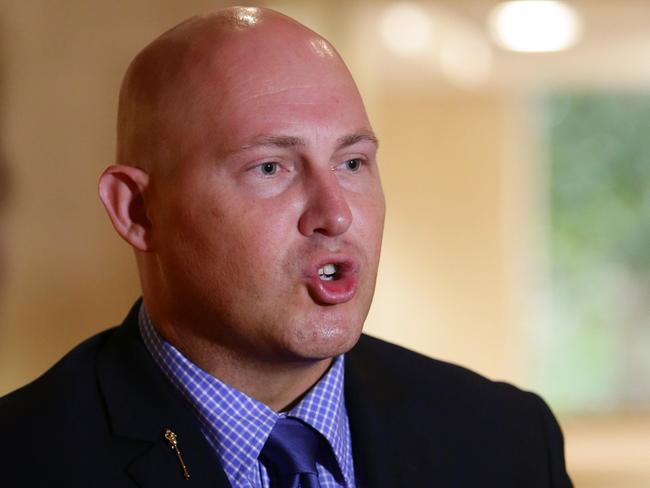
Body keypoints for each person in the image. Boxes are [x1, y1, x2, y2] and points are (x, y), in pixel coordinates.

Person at [0, 7, 572, 487]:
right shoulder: (26, 458)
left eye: (352, 163)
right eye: (270, 166)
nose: (337, 212)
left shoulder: (509, 440)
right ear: (138, 212)